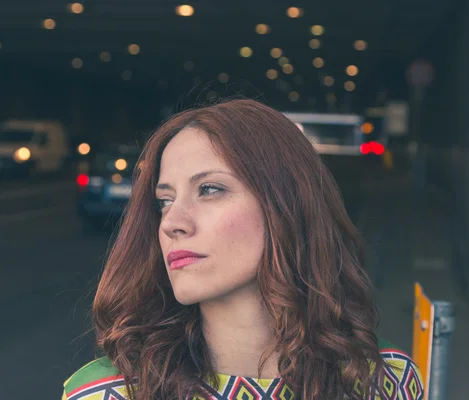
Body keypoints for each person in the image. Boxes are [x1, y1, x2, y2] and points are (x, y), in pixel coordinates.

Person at [62, 99, 424, 400]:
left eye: (209, 189)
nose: (172, 222)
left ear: (285, 204)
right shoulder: (107, 392)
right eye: (164, 201)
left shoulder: (387, 381)